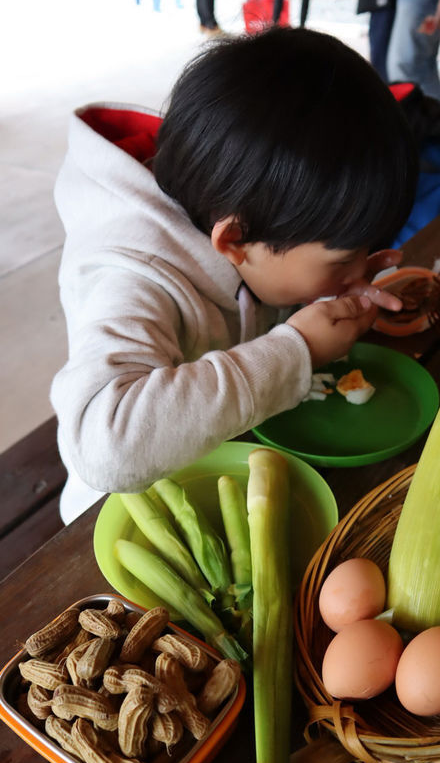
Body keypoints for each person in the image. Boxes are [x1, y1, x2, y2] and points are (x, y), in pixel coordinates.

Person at [50, 28, 419, 524]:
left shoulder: (241, 200)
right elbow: (107, 447)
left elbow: (260, 291)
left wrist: (319, 297)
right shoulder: (131, 275)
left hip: (229, 468)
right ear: (233, 242)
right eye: (341, 260)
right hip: (127, 521)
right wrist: (299, 350)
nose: (357, 270)